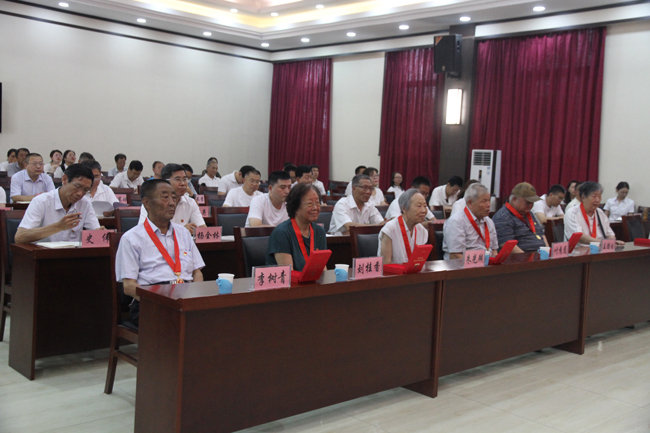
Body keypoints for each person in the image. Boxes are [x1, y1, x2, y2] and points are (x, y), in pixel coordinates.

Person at [116, 179, 205, 327]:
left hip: (185, 297)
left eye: (173, 198)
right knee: (179, 324)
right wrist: (165, 302)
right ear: (147, 203)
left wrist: (195, 298)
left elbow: (197, 273)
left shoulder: (183, 233)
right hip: (151, 302)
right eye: (165, 197)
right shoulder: (131, 238)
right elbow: (129, 286)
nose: (171, 203)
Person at [15, 164, 100, 243]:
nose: (80, 193)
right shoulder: (41, 201)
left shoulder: (85, 203)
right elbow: (19, 237)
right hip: (43, 252)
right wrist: (58, 227)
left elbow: (95, 231)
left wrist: (100, 233)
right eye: (77, 186)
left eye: (85, 190)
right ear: (64, 179)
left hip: (73, 253)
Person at [266, 183, 327, 271]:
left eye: (317, 203)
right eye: (310, 204)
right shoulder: (281, 233)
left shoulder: (319, 231)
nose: (315, 208)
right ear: (296, 207)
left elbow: (322, 268)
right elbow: (288, 273)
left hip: (311, 279)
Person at [139, 164, 206, 235]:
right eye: (178, 179)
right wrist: (181, 231)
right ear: (165, 182)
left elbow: (203, 230)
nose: (183, 183)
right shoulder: (152, 203)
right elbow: (143, 231)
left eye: (185, 179)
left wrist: (192, 230)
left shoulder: (190, 202)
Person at [442, 183, 498, 260]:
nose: (489, 205)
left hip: (487, 263)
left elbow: (494, 250)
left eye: (489, 201)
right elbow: (455, 256)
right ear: (470, 203)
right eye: (484, 201)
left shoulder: (489, 221)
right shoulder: (456, 222)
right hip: (464, 265)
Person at [565, 181, 624, 248]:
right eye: (594, 196)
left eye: (599, 196)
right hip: (579, 251)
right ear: (583, 197)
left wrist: (612, 242)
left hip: (600, 250)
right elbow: (579, 237)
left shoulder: (600, 213)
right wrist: (603, 242)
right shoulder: (573, 213)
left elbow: (610, 235)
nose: (597, 200)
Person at [492, 182, 548, 253]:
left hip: (539, 256)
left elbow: (541, 235)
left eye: (532, 203)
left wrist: (548, 252)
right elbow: (507, 245)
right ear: (514, 199)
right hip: (521, 257)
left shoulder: (528, 213)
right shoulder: (502, 217)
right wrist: (527, 258)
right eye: (528, 202)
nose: (531, 206)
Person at [378, 188, 429, 264]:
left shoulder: (422, 231)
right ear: (404, 209)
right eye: (419, 206)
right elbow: (385, 264)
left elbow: (419, 262)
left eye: (425, 206)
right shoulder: (390, 229)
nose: (424, 210)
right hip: (393, 271)